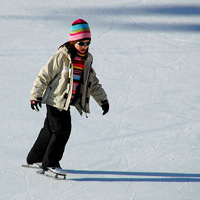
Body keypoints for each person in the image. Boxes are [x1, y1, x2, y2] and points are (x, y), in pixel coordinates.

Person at [26, 19, 109, 173]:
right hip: (55, 100)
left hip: (65, 102)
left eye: (87, 43)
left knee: (49, 130)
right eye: (81, 43)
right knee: (62, 130)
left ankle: (35, 158)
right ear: (73, 42)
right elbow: (44, 76)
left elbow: (93, 83)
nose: (84, 46)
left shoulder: (86, 61)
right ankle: (50, 163)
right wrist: (35, 95)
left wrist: (102, 100)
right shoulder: (62, 57)